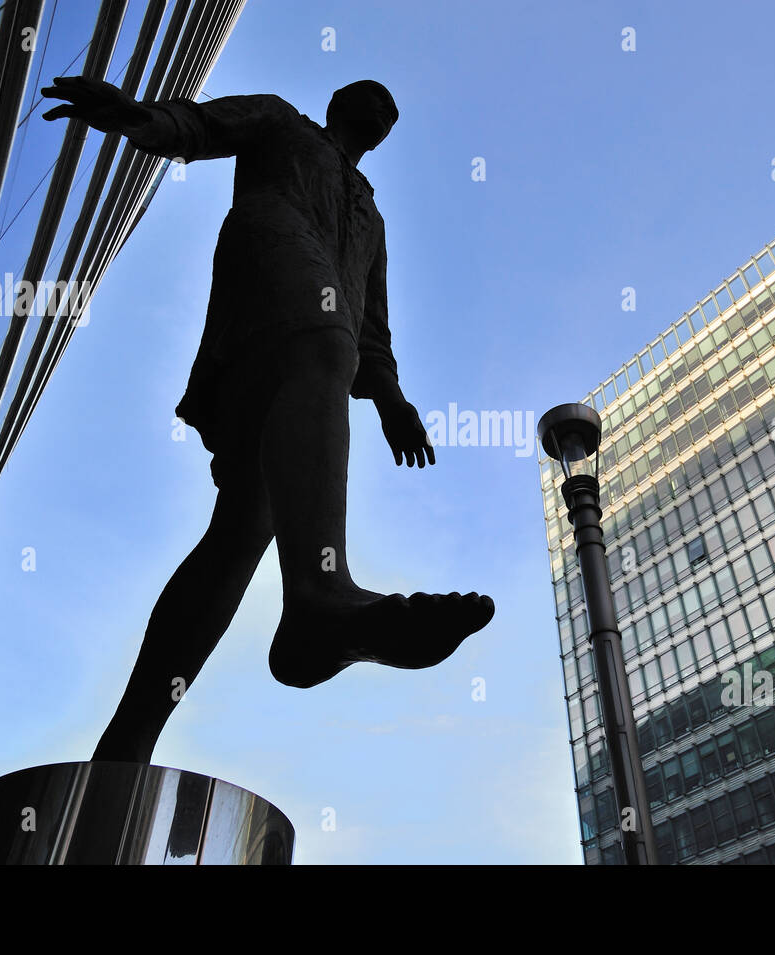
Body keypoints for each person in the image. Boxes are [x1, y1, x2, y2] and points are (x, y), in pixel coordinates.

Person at [41, 76, 494, 763]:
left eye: (391, 113)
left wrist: (394, 402)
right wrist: (140, 118)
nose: (383, 110)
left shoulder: (372, 217)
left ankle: (127, 745)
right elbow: (203, 127)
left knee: (247, 523)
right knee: (326, 339)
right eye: (372, 98)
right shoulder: (284, 122)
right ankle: (320, 589)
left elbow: (374, 326)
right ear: (339, 102)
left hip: (314, 353)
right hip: (269, 246)